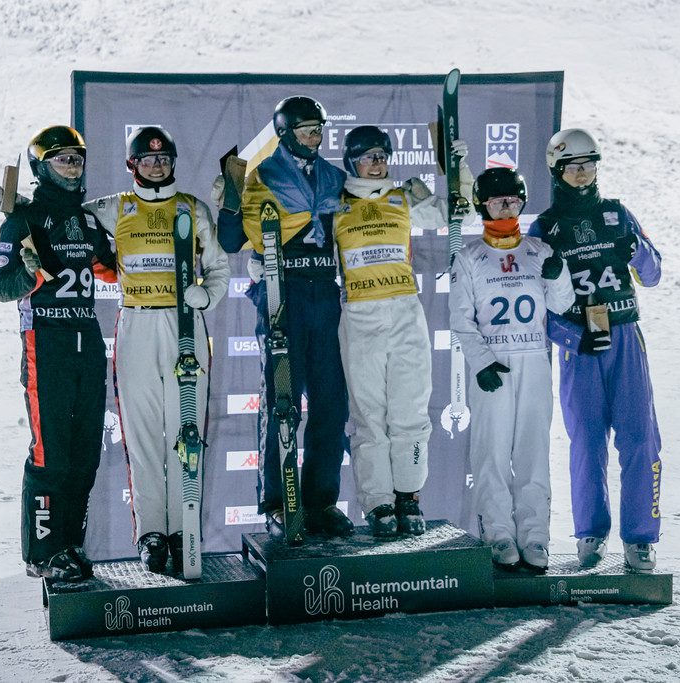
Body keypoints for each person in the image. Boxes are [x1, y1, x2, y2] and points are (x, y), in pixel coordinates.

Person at [84, 126, 229, 574]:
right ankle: (152, 533)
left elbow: (219, 266)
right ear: (133, 165)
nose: (157, 165)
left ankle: (184, 527)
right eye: (147, 160)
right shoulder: (115, 208)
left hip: (183, 324)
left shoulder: (192, 208)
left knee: (185, 431)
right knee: (143, 435)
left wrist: (207, 296)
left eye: (164, 158)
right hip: (137, 321)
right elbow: (67, 218)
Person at [215, 96, 353, 539]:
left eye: (319, 129)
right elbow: (232, 240)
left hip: (323, 292)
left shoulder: (333, 176)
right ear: (285, 133)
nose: (316, 137)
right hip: (280, 292)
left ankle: (321, 501)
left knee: (331, 401)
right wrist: (230, 200)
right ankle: (277, 500)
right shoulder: (262, 176)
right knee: (281, 399)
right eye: (307, 130)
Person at [528, 128, 663, 572]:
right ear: (557, 172)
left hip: (625, 335)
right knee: (587, 440)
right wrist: (572, 337)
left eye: (589, 165)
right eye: (573, 167)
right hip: (580, 343)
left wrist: (636, 248)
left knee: (640, 438)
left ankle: (640, 538)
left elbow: (654, 272)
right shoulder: (545, 227)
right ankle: (590, 533)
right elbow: (534, 303)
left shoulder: (618, 214)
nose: (583, 174)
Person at [334, 125, 475, 537]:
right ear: (351, 161)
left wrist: (459, 166)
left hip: (404, 309)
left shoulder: (405, 196)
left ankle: (408, 495)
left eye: (382, 155)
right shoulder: (334, 204)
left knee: (410, 409)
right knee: (368, 416)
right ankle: (378, 502)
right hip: (359, 314)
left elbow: (458, 211)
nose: (377, 163)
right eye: (368, 156)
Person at [0, 125, 117, 582]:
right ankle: (43, 552)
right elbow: (0, 287)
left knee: (85, 453)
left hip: (88, 340)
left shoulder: (85, 220)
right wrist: (30, 275)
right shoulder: (22, 221)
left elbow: (109, 270)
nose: (72, 166)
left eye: (77, 159)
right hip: (46, 342)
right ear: (41, 167)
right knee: (51, 454)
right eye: (62, 159)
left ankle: (70, 545)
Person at [449, 167, 575, 570]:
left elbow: (561, 305)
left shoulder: (539, 251)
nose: (507, 207)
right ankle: (498, 532)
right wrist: (481, 362)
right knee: (492, 451)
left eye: (514, 200)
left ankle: (535, 536)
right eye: (498, 201)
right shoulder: (469, 258)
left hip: (533, 360)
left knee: (534, 452)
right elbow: (461, 319)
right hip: (494, 365)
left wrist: (558, 279)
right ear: (482, 205)